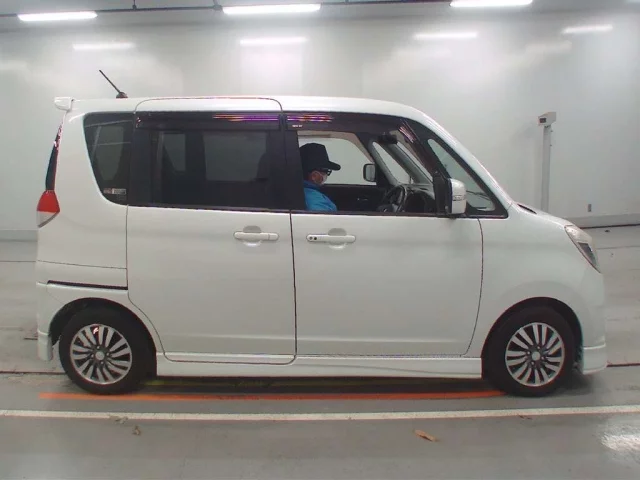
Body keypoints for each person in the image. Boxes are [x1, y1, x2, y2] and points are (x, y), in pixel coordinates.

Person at [300, 143, 342, 212]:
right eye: (327, 171)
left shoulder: (303, 192)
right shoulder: (317, 201)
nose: (326, 175)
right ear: (314, 176)